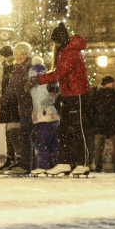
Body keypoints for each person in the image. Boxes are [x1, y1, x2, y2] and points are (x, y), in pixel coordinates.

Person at [33, 22, 92, 176]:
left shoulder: (71, 52)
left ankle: (83, 163)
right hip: (68, 95)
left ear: (61, 40)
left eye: (56, 42)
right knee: (65, 130)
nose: (56, 45)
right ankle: (65, 162)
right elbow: (60, 74)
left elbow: (59, 74)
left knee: (79, 129)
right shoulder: (65, 52)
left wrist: (38, 80)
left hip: (78, 94)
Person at [2, 42, 33, 175]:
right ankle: (26, 163)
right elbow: (10, 92)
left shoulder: (32, 68)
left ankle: (29, 164)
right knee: (24, 136)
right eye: (17, 54)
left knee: (30, 136)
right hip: (23, 108)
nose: (20, 56)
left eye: (23, 53)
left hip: (33, 107)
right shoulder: (16, 70)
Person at [29, 56, 60, 175]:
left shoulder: (42, 86)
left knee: (42, 143)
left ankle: (43, 166)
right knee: (52, 143)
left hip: (45, 117)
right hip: (48, 118)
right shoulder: (39, 87)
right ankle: (55, 165)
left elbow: (53, 94)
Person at [90, 76, 115, 173]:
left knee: (103, 145)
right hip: (104, 122)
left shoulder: (109, 92)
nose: (112, 85)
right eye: (110, 83)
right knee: (99, 146)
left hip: (108, 122)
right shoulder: (98, 92)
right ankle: (100, 165)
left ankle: (114, 165)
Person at [0, 45, 21, 172]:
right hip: (9, 103)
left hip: (12, 104)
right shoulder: (7, 69)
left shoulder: (10, 69)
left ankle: (17, 158)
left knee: (13, 132)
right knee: (9, 131)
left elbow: (10, 89)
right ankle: (11, 157)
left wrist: (1, 100)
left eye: (0, 55)